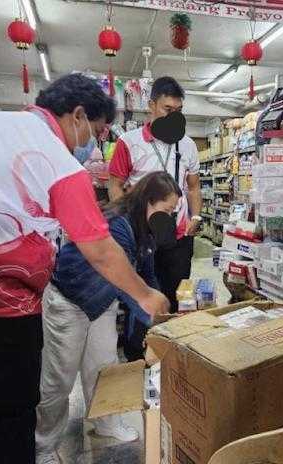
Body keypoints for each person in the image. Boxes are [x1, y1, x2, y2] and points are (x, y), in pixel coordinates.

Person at [0, 74, 169, 464]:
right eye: (95, 133)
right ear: (78, 115)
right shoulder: (59, 162)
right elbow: (99, 249)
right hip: (2, 313)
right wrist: (146, 295)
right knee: (10, 417)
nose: (91, 145)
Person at [36, 171, 181, 464]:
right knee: (59, 379)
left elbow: (147, 275)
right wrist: (152, 317)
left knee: (103, 368)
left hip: (102, 303)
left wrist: (164, 311)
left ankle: (106, 423)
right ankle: (42, 446)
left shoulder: (146, 228)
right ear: (148, 201)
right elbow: (123, 281)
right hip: (70, 300)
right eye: (167, 210)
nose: (169, 217)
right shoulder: (118, 224)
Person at [108, 76, 202, 314]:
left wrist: (196, 218)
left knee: (176, 296)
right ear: (151, 105)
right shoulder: (128, 142)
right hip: (142, 236)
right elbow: (116, 184)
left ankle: (170, 346)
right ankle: (138, 349)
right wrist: (126, 224)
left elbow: (193, 187)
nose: (173, 116)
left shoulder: (188, 144)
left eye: (178, 111)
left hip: (178, 236)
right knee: (139, 297)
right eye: (167, 109)